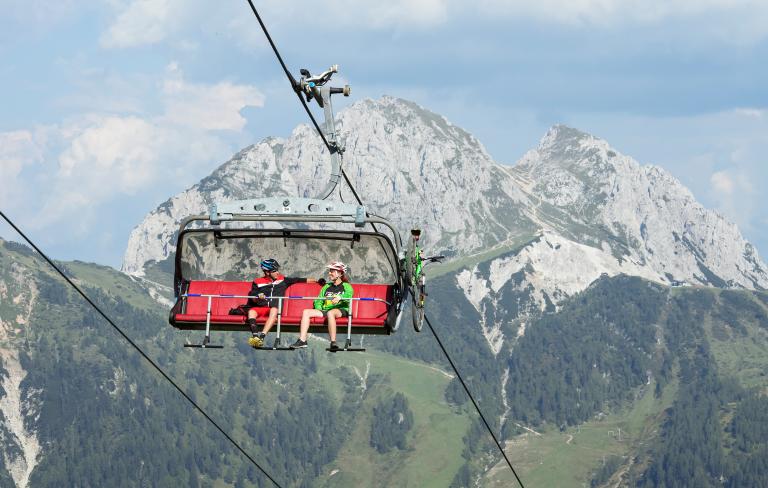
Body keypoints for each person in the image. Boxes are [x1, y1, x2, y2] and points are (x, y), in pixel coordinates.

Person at [245, 259, 324, 348]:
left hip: (274, 310)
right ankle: (255, 336)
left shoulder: (283, 280)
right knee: (251, 312)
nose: (278, 273)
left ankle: (262, 337)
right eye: (275, 271)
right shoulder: (257, 282)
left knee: (274, 309)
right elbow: (253, 297)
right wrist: (258, 297)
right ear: (267, 272)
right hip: (261, 307)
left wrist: (317, 281)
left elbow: (300, 280)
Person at [290, 261, 353, 350]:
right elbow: (319, 300)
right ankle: (302, 340)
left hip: (341, 309)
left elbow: (349, 295)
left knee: (331, 313)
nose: (329, 273)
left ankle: (333, 342)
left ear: (339, 273)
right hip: (326, 310)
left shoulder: (346, 286)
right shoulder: (327, 286)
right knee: (306, 312)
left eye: (332, 271)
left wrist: (340, 297)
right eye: (330, 271)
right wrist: (320, 309)